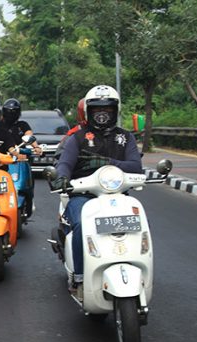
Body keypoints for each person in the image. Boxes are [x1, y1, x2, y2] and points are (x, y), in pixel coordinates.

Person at [52, 85, 142, 299]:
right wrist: (61, 177)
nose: (102, 114)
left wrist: (107, 162)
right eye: (97, 110)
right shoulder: (77, 138)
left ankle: (136, 267)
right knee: (82, 224)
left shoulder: (125, 137)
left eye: (108, 109)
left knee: (138, 224)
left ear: (116, 110)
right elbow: (65, 164)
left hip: (118, 195)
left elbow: (135, 167)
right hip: (83, 195)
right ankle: (79, 277)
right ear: (88, 112)